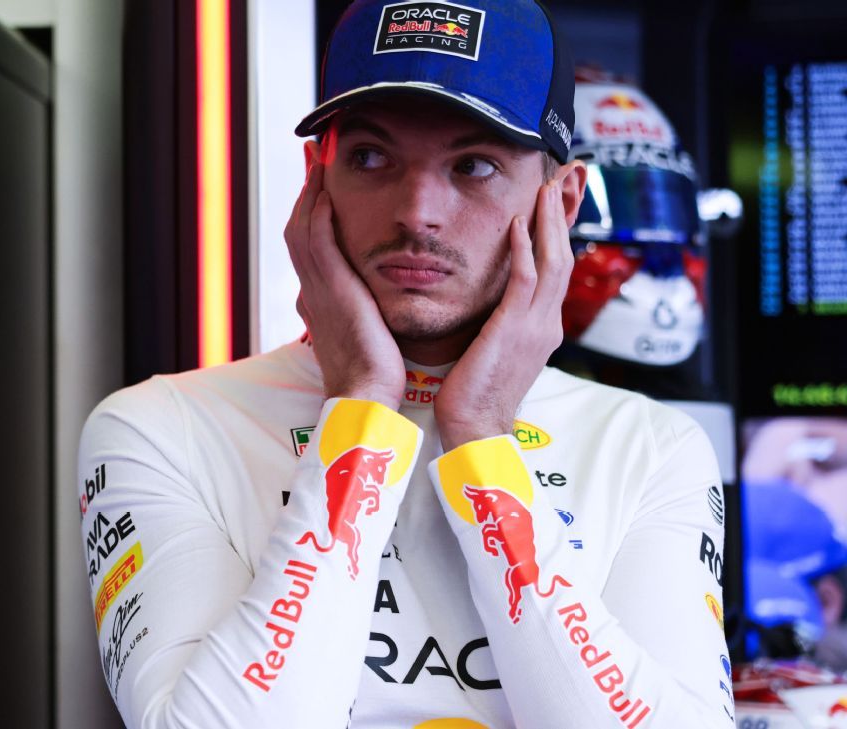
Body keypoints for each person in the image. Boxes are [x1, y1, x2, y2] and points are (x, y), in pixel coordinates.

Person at [79, 1, 732, 726]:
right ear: (315, 179)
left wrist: (481, 435)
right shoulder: (160, 429)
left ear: (563, 202)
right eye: (371, 157)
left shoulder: (651, 449)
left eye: (474, 165)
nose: (418, 212)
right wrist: (361, 408)